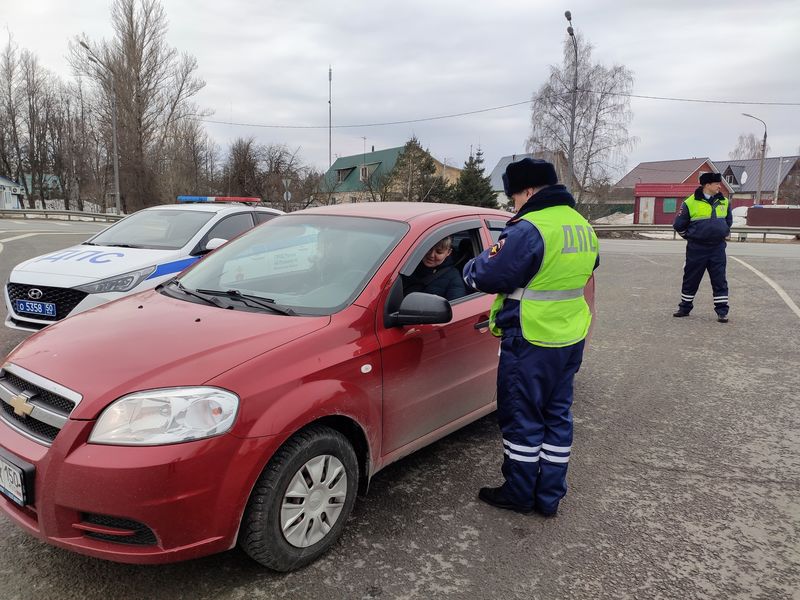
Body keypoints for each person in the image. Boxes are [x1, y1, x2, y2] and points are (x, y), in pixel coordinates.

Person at [462, 158, 598, 517]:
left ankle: (520, 493)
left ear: (529, 190)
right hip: (569, 338)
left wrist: (468, 268)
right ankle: (549, 496)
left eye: (514, 197)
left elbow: (490, 275)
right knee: (556, 416)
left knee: (521, 417)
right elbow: (584, 277)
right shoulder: (580, 225)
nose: (513, 204)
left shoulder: (530, 228)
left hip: (532, 339)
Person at [672, 172, 732, 323]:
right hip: (696, 249)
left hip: (717, 248)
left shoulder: (724, 201)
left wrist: (721, 232)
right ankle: (684, 308)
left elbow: (728, 222)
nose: (720, 186)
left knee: (719, 280)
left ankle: (722, 312)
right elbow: (679, 225)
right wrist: (691, 237)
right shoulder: (690, 202)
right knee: (691, 278)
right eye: (717, 183)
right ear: (707, 185)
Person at [402, 236, 468, 301]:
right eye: (429, 249)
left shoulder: (453, 277)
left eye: (439, 252)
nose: (431, 255)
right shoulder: (407, 265)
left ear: (448, 252)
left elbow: (456, 307)